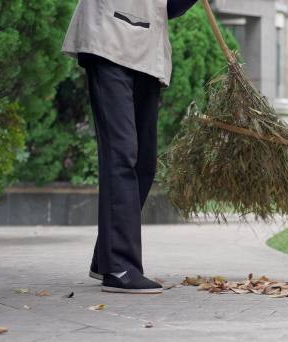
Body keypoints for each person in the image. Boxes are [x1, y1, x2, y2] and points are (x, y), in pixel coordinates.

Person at [62, 0, 197, 294]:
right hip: (108, 39)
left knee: (143, 164)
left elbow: (170, 7)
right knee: (121, 154)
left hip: (146, 53)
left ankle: (105, 258)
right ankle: (120, 267)